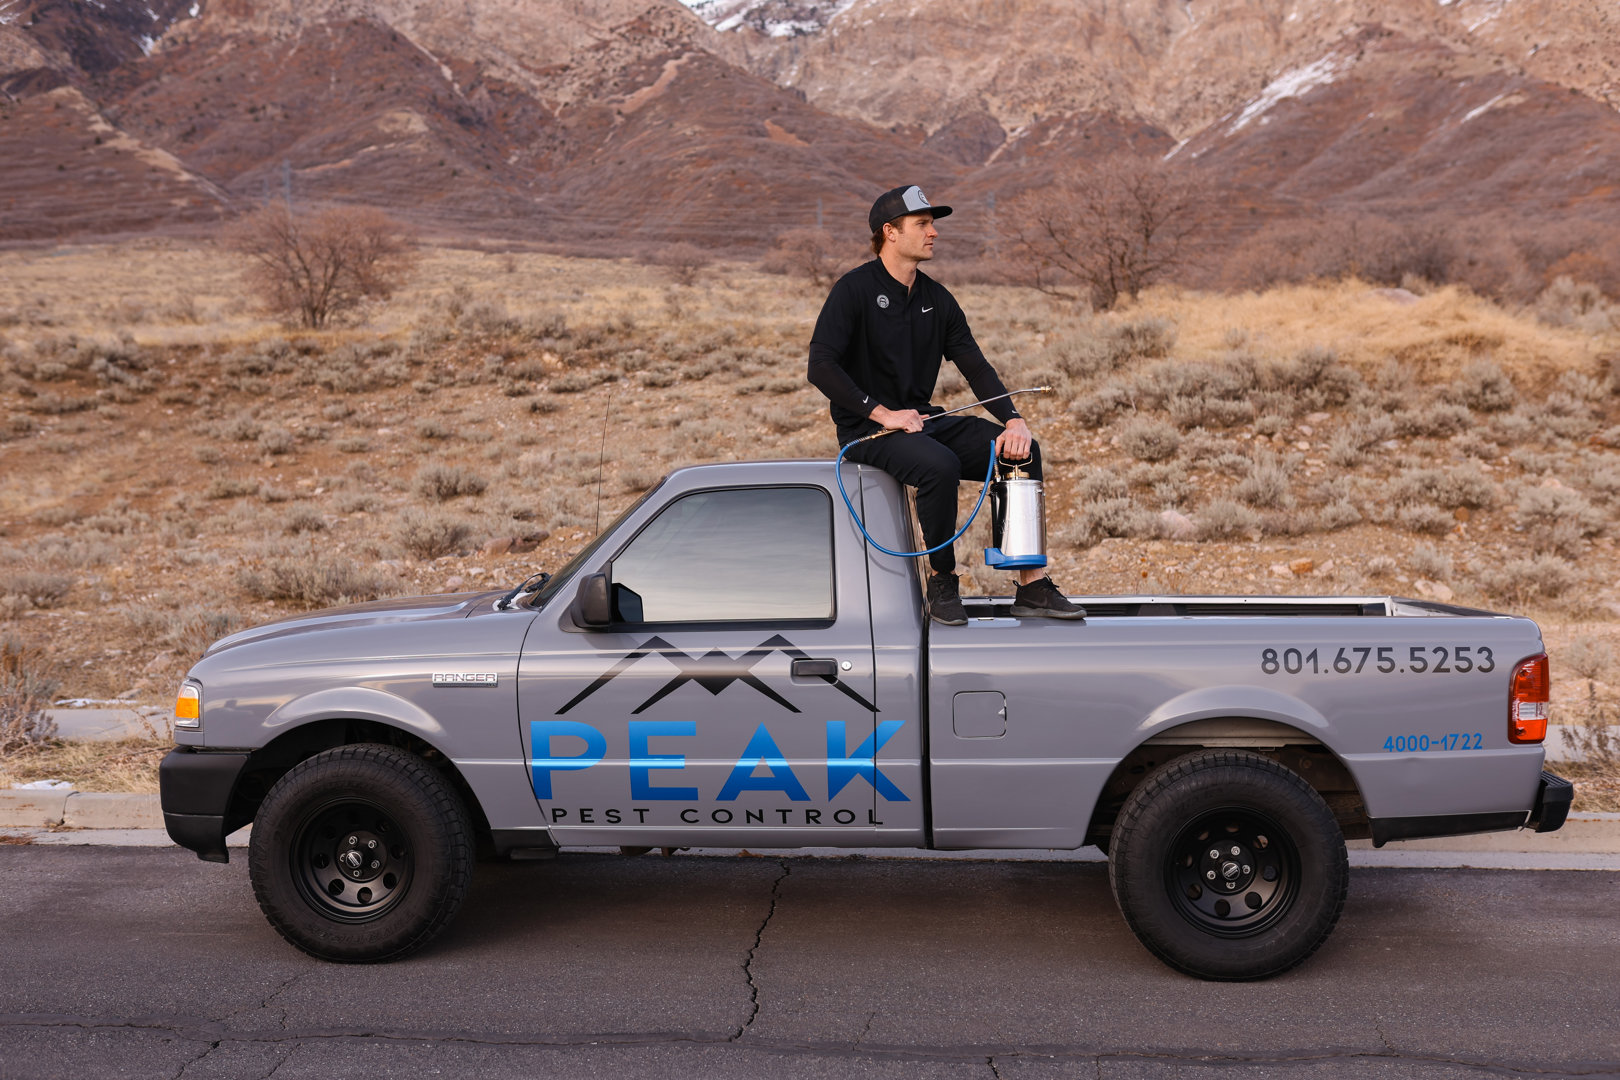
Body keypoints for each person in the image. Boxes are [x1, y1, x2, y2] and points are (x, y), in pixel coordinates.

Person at [806, 184, 1086, 626]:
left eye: (932, 224)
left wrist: (1013, 420)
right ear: (890, 232)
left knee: (1020, 451)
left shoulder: (936, 299)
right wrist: (883, 413)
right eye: (922, 224)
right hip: (868, 429)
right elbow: (820, 366)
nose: (933, 232)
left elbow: (976, 367)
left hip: (923, 420)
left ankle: (1031, 585)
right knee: (940, 466)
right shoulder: (853, 290)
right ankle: (942, 580)